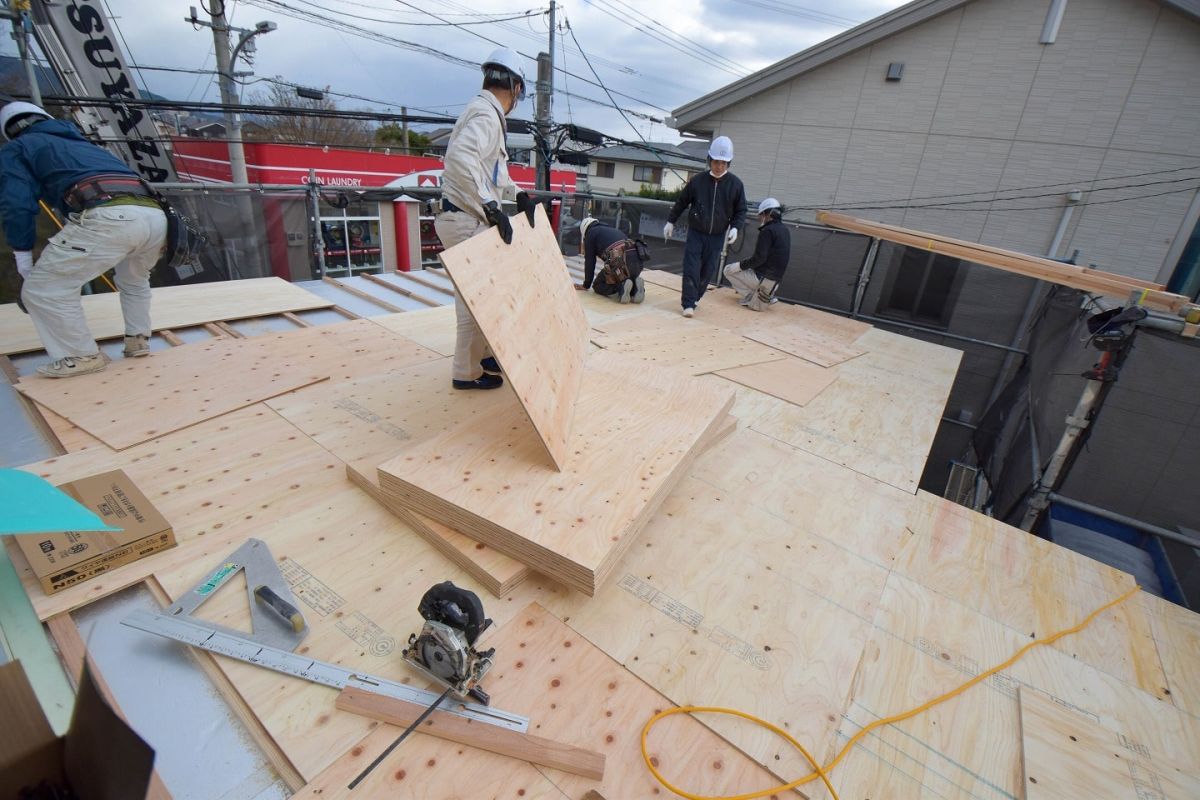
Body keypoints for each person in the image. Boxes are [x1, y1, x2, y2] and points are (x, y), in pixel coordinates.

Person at [0, 102, 167, 377]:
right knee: (134, 280)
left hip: (111, 216)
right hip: (155, 216)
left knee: (43, 290)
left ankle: (79, 355)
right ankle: (138, 340)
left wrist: (22, 255)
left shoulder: (19, 148)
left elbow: (16, 204)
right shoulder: (87, 146)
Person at [436, 47, 538, 390]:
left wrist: (516, 195)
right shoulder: (485, 115)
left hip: (465, 217)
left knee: (485, 295)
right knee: (473, 300)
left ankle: (480, 356)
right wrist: (490, 207)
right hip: (465, 219)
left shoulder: (487, 114)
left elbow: (494, 174)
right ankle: (465, 372)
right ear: (517, 87)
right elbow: (461, 160)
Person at [663, 135, 746, 317]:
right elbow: (681, 202)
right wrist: (671, 221)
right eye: (716, 161)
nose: (719, 166)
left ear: (729, 163)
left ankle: (695, 298)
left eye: (724, 163)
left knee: (707, 270)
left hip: (717, 236)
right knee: (691, 267)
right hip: (696, 232)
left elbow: (741, 210)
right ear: (710, 160)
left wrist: (735, 228)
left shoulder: (736, 185)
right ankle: (688, 304)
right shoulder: (698, 181)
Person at [723, 198, 791, 312]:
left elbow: (759, 258)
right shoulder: (785, 230)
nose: (760, 218)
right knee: (745, 269)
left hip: (762, 279)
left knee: (728, 270)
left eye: (761, 215)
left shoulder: (767, 231)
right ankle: (768, 295)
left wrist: (740, 265)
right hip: (774, 284)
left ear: (767, 214)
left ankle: (750, 296)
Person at [574, 217, 646, 304]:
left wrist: (586, 285)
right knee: (625, 277)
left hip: (620, 262)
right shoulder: (610, 229)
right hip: (638, 260)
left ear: (584, 230)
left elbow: (590, 261)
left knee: (598, 285)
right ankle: (635, 289)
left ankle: (621, 288)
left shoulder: (590, 234)